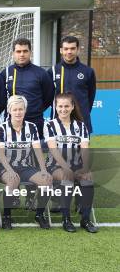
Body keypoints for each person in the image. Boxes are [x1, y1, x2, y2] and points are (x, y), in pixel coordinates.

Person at [0, 95, 53, 230]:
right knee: (12, 180)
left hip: (26, 167)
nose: (18, 112)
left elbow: (38, 151)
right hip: (5, 167)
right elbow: (1, 154)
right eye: (15, 109)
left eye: (21, 109)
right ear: (9, 110)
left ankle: (39, 214)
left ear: (25, 110)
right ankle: (7, 216)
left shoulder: (31, 127)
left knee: (47, 181)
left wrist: (44, 170)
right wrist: (9, 170)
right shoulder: (2, 128)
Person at [44, 93, 98, 233]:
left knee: (87, 180)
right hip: (54, 165)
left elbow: (85, 149)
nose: (63, 109)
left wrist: (85, 168)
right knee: (66, 177)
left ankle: (85, 219)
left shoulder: (81, 126)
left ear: (73, 107)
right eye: (60, 106)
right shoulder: (49, 125)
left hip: (76, 165)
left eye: (66, 106)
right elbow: (53, 149)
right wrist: (65, 167)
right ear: (55, 107)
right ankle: (66, 219)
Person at [0, 38, 54, 137]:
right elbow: (0, 98)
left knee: (36, 152)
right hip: (11, 123)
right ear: (13, 53)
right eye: (18, 51)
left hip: (35, 122)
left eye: (25, 51)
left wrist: (35, 110)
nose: (22, 54)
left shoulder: (41, 73)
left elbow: (49, 97)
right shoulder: (6, 73)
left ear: (30, 52)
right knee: (11, 152)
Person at [48, 36, 97, 133]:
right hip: (58, 121)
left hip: (81, 121)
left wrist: (81, 111)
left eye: (72, 48)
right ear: (61, 50)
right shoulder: (52, 71)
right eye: (66, 49)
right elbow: (48, 97)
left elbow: (91, 97)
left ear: (78, 50)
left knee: (82, 148)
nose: (69, 52)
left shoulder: (88, 71)